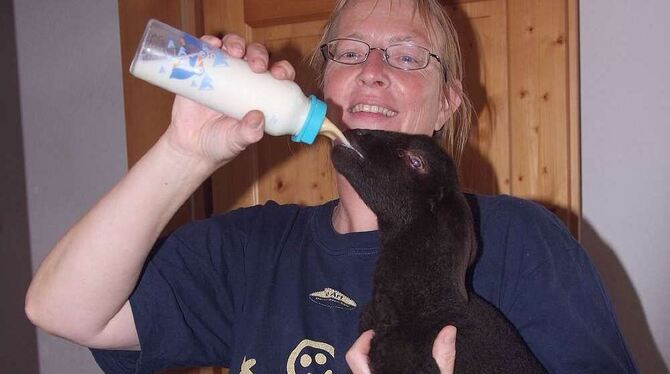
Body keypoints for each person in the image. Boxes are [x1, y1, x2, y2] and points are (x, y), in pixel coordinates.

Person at [25, 0, 637, 373]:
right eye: (349, 53)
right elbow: (60, 310)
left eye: (406, 57)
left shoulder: (515, 241)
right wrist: (182, 151)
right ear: (322, 87)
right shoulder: (254, 251)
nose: (372, 72)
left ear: (448, 101)